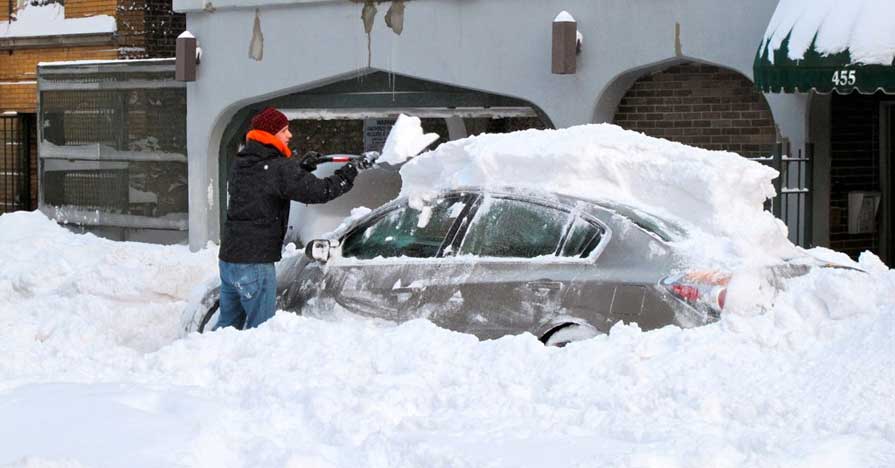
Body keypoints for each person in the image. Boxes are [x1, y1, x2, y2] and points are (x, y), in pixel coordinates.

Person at [215, 107, 361, 330]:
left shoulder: (243, 162)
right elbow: (319, 191)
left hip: (229, 259)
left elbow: (265, 184)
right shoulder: (278, 169)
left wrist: (300, 168)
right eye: (284, 130)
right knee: (261, 330)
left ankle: (209, 363)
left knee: (227, 328)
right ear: (270, 135)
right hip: (255, 262)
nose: (289, 135)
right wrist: (348, 173)